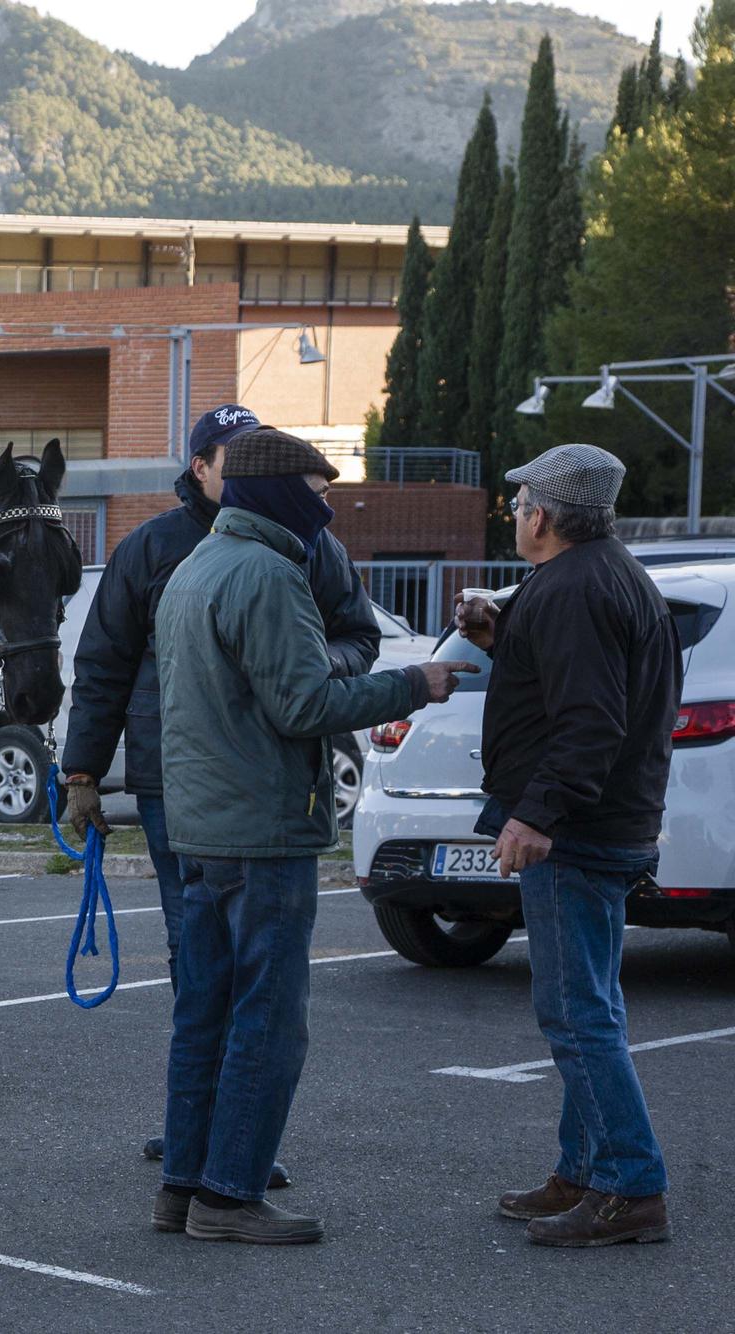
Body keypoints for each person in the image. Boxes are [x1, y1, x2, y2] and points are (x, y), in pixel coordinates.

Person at [152, 428, 473, 1244]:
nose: (328, 503)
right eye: (318, 487)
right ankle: (229, 1198)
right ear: (280, 492)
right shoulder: (269, 574)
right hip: (263, 831)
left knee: (205, 1016)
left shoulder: (195, 569)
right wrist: (414, 683)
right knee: (268, 1018)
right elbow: (303, 708)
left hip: (204, 828)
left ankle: (184, 1188)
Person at [55, 404, 381, 1182]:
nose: (244, 467)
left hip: (262, 774)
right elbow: (101, 667)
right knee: (207, 970)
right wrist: (81, 774)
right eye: (230, 455)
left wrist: (300, 664)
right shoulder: (154, 549)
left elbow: (356, 636)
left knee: (233, 975)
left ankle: (221, 1143)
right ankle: (210, 1145)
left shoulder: (310, 546)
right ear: (199, 467)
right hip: (179, 784)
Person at [455, 444, 678, 1248]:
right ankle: (582, 1172)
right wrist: (500, 628)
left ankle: (629, 1188)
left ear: (542, 516)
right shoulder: (603, 574)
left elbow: (589, 722)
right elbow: (575, 684)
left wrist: (535, 816)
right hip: (607, 825)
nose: (515, 515)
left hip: (577, 835)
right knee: (592, 1007)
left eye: (519, 505)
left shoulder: (578, 590)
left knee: (577, 1015)